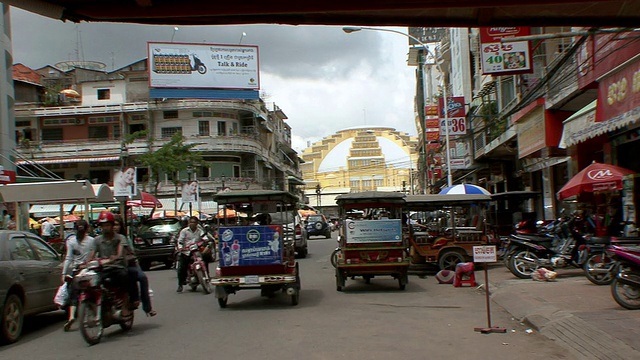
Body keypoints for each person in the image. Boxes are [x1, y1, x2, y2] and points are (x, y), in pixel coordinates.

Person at [88, 211, 132, 318]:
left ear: (112, 225)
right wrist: (86, 263)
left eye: (107, 225)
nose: (105, 228)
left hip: (117, 267)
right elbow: (91, 255)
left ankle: (124, 306)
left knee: (124, 277)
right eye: (103, 225)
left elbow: (119, 253)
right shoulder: (97, 240)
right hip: (103, 268)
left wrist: (115, 258)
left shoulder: (120, 238)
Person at [113, 217, 156, 317]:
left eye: (117, 225)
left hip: (127, 265)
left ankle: (147, 307)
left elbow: (132, 253)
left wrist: (123, 258)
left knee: (142, 278)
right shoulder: (101, 239)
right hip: (110, 267)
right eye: (113, 225)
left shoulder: (124, 238)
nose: (115, 227)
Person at [61, 219, 96, 331]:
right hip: (90, 269)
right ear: (87, 229)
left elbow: (68, 258)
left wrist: (64, 273)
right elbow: (96, 256)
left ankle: (71, 316)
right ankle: (94, 314)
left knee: (74, 292)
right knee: (94, 290)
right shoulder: (92, 241)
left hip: (76, 271)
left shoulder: (71, 241)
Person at [176, 216, 204, 292]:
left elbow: (204, 238)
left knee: (205, 259)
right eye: (191, 222)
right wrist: (181, 247)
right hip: (186, 251)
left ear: (197, 223)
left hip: (196, 251)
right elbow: (180, 241)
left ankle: (205, 274)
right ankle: (180, 284)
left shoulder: (200, 231)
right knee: (182, 267)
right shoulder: (184, 231)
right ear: (188, 223)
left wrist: (205, 241)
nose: (192, 224)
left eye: (194, 222)